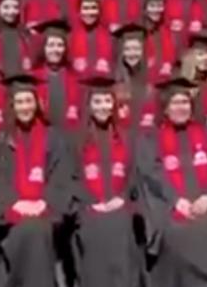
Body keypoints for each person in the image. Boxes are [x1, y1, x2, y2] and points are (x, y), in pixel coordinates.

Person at [137, 75, 207, 287]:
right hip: (169, 207)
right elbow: (151, 176)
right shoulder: (151, 139)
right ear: (164, 107)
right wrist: (175, 201)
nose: (181, 108)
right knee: (177, 233)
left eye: (185, 102)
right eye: (175, 102)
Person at [0, 72, 73, 287]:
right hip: (12, 212)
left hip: (44, 211)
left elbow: (61, 176)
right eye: (19, 102)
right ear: (11, 106)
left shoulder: (54, 138)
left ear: (37, 103)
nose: (25, 107)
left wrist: (44, 202)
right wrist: (16, 203)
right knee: (28, 230)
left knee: (38, 230)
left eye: (29, 101)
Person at [71, 74, 142, 287]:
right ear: (89, 105)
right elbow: (71, 178)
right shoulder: (75, 139)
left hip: (121, 206)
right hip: (87, 208)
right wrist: (91, 203)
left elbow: (134, 176)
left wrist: (121, 199)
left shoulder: (127, 137)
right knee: (94, 230)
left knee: (121, 225)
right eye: (97, 102)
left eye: (108, 101)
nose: (103, 107)